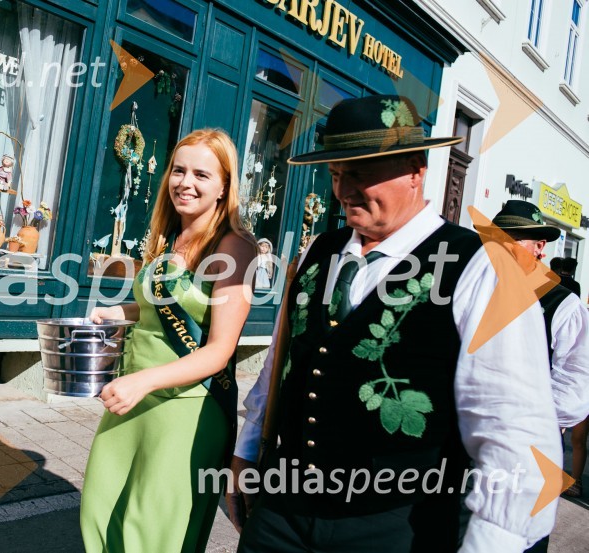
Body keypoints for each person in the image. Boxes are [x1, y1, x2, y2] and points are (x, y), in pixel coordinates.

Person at [228, 95, 561, 553]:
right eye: (336, 174)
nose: (343, 191)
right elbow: (282, 367)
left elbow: (514, 429)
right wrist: (248, 452)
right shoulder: (317, 252)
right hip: (282, 513)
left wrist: (492, 541)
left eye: (360, 172)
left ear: (415, 170)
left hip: (397, 525)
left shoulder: (478, 267)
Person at [79, 129, 257, 552]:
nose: (185, 182)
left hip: (186, 410)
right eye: (179, 170)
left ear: (224, 188)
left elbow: (218, 350)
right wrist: (117, 313)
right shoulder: (167, 236)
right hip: (132, 399)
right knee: (100, 511)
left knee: (153, 533)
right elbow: (159, 306)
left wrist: (143, 382)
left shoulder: (235, 246)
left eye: (201, 174)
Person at [478, 200, 589, 552]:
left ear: (539, 247)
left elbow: (575, 390)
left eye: (514, 240)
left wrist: (513, 415)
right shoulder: (473, 288)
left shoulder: (562, 305)